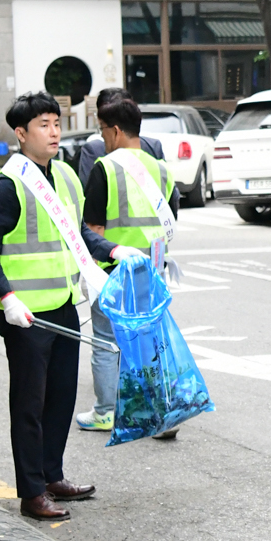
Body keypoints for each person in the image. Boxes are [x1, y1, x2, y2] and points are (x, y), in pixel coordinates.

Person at [0, 91, 134, 519]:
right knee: (29, 402)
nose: (53, 132)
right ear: (21, 133)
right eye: (43, 125)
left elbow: (78, 232)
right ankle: (31, 493)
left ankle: (52, 474)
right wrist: (6, 296)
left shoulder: (64, 175)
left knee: (61, 396)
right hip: (24, 313)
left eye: (56, 123)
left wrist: (113, 249)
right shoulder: (8, 184)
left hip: (63, 304)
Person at [77, 88, 181, 438]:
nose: (101, 137)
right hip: (151, 272)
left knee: (106, 342)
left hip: (113, 271)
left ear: (116, 131)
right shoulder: (162, 169)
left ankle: (107, 412)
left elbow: (92, 229)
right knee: (151, 342)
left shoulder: (105, 168)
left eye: (103, 130)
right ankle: (162, 414)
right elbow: (171, 221)